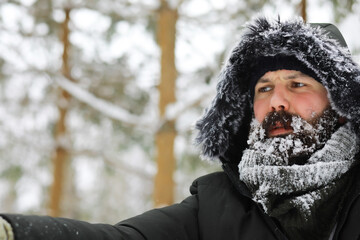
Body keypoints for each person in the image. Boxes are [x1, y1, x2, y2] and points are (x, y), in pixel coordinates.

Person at [1, 16, 360, 240]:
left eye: (297, 85)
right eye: (264, 88)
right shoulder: (216, 205)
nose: (276, 102)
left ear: (342, 104)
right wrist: (12, 232)